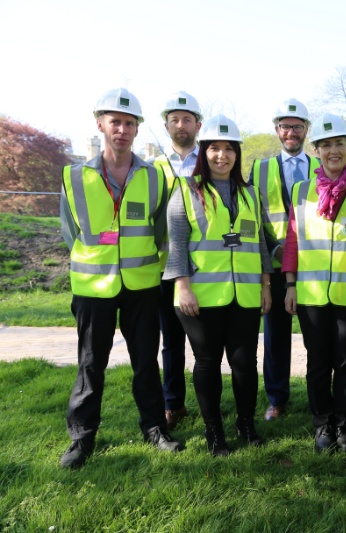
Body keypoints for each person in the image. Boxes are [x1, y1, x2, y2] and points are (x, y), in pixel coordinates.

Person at [59, 88, 183, 469]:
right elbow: (69, 231)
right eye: (116, 121)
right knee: (90, 363)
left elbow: (163, 231)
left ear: (138, 129)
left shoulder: (155, 177)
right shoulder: (74, 176)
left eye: (130, 123)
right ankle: (82, 438)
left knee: (145, 361)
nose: (123, 129)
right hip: (93, 287)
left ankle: (154, 429)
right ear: (100, 124)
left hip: (142, 285)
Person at [164, 115, 273, 457]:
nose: (222, 155)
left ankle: (246, 423)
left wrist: (266, 284)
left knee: (245, 363)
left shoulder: (251, 195)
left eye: (229, 149)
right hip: (202, 296)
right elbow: (177, 244)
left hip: (245, 294)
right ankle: (214, 432)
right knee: (207, 363)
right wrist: (182, 286)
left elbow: (262, 244)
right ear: (203, 151)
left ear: (238, 153)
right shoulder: (186, 191)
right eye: (214, 148)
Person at [283, 114, 346, 453]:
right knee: (317, 362)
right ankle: (322, 425)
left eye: (340, 144)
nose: (334, 151)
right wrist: (289, 284)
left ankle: (344, 425)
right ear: (315, 150)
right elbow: (292, 240)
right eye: (327, 145)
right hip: (312, 294)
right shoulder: (302, 191)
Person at [250, 99, 318, 421]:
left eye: (298, 126)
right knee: (275, 336)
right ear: (277, 130)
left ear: (307, 129)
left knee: (317, 335)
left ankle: (320, 394)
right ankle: (277, 398)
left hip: (314, 266)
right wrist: (274, 250)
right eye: (285, 126)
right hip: (275, 267)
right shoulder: (259, 169)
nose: (291, 132)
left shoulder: (322, 168)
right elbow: (253, 218)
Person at [152, 90, 203, 430]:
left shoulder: (210, 161)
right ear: (166, 124)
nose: (180, 125)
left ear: (198, 124)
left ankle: (208, 400)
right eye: (174, 119)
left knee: (205, 342)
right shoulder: (153, 168)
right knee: (171, 341)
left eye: (187, 119)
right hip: (163, 267)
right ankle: (174, 403)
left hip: (202, 265)